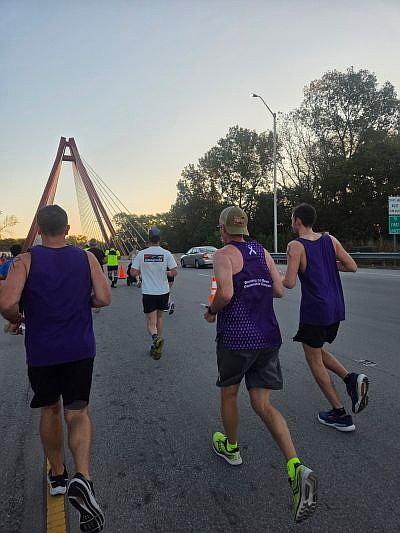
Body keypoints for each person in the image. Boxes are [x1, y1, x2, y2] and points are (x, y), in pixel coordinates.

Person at [0, 205, 111, 533]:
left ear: (39, 228)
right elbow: (104, 298)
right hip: (79, 349)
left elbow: (7, 303)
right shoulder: (86, 258)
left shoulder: (26, 261)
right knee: (77, 413)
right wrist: (85, 302)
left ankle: (59, 476)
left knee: (50, 410)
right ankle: (84, 478)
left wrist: (18, 319)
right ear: (67, 228)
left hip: (43, 352)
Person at [204, 206, 317, 523]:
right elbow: (279, 290)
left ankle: (232, 447)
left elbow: (225, 293)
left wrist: (212, 310)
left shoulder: (223, 255)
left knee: (229, 393)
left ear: (223, 228)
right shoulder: (262, 251)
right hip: (268, 336)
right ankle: (296, 466)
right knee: (263, 403)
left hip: (237, 338)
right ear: (246, 228)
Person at [282, 203, 369, 432]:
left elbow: (289, 283)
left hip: (315, 310)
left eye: (292, 219)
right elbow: (352, 266)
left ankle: (340, 414)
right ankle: (351, 379)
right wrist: (328, 264)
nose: (292, 223)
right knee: (317, 348)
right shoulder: (330, 240)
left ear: (298, 220)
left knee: (313, 360)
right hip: (336, 307)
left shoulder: (295, 245)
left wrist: (274, 277)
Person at [131, 228, 177, 360]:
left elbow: (133, 273)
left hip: (149, 292)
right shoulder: (166, 253)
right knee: (160, 318)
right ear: (159, 239)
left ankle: (156, 340)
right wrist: (165, 273)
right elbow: (174, 272)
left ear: (148, 239)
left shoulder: (142, 254)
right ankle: (157, 344)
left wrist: (142, 272)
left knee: (151, 322)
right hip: (163, 292)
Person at [161, 242, 175, 315]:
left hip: (163, 274)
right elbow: (176, 265)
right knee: (168, 290)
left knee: (162, 290)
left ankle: (167, 304)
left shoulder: (160, 255)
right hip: (171, 275)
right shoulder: (170, 254)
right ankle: (168, 303)